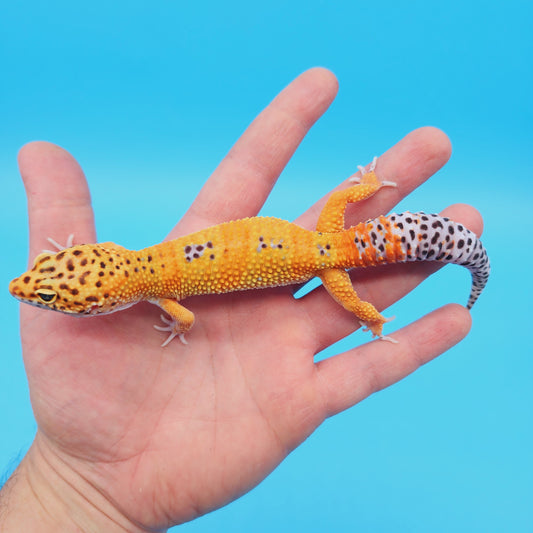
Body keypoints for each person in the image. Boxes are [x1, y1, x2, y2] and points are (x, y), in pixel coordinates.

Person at [0, 68, 481, 532]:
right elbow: (106, 254)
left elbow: (184, 318)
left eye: (51, 294)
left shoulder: (163, 296)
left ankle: (378, 317)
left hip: (323, 259)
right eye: (51, 293)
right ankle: (404, 234)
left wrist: (368, 318)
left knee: (353, 303)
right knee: (347, 218)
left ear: (104, 304)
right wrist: (367, 186)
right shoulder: (128, 259)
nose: (33, 295)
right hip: (321, 241)